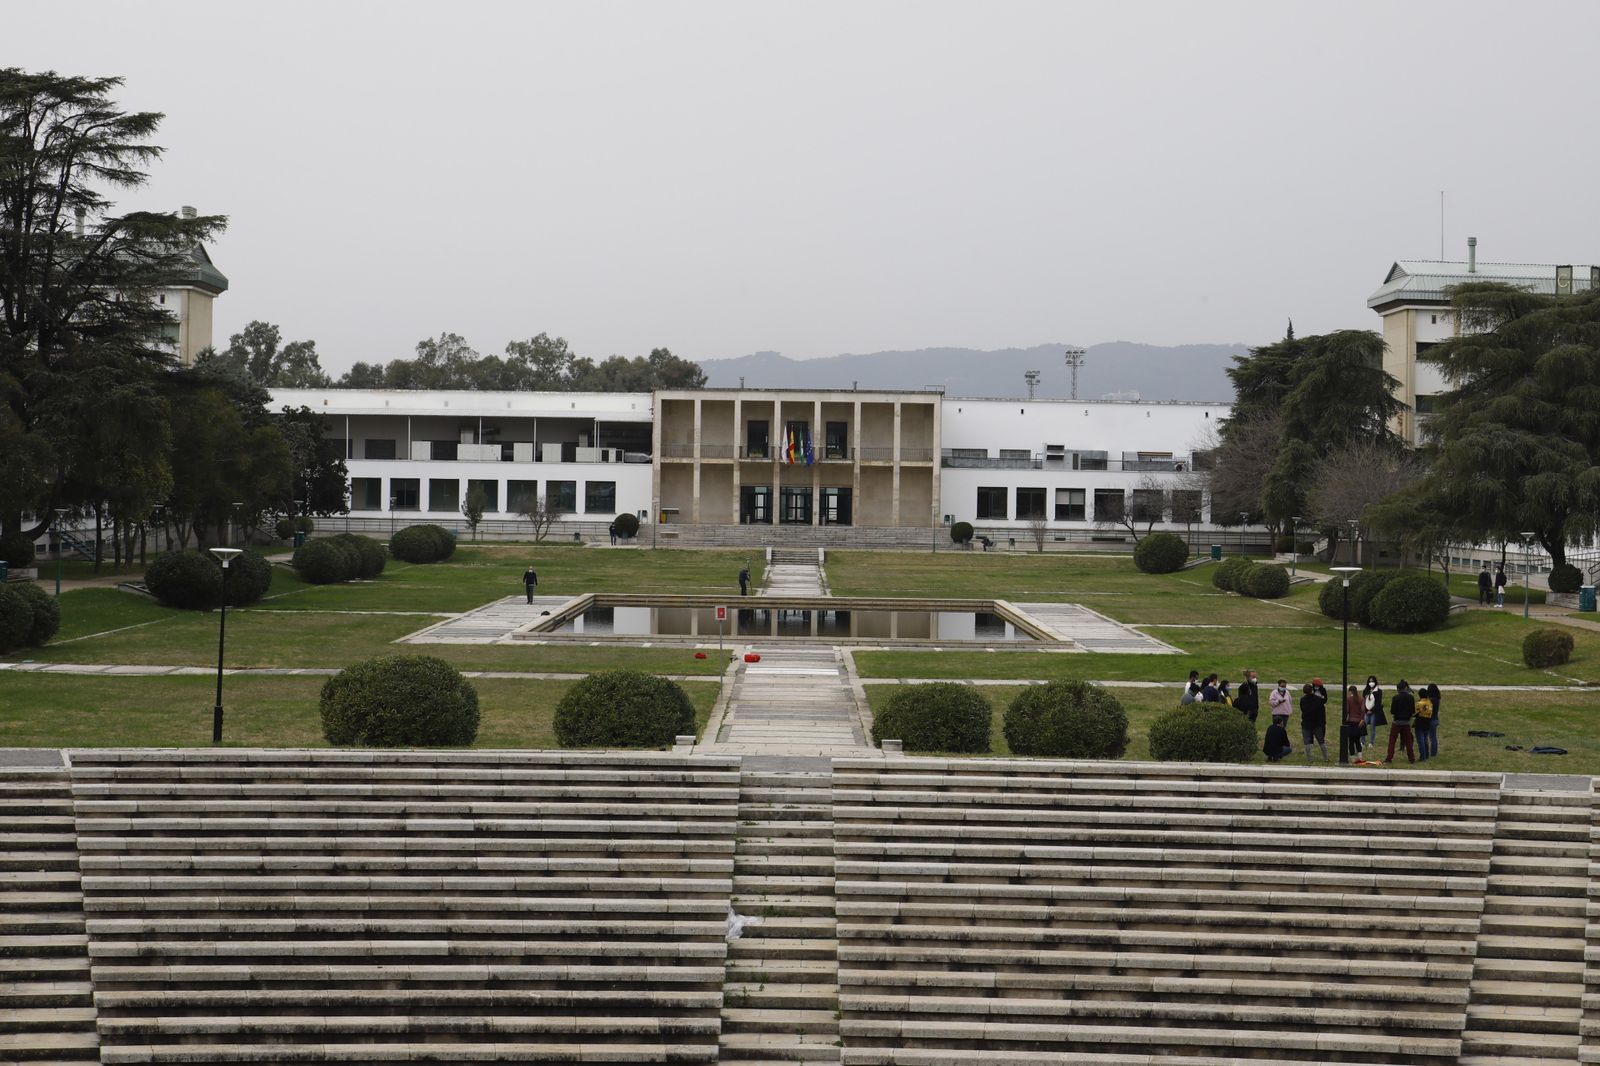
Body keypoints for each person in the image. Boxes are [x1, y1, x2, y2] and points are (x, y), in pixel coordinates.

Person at [1386, 679, 1417, 764]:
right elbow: (1413, 711)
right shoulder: (1411, 697)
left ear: (1398, 689)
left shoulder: (1395, 698)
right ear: (1405, 688)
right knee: (1408, 742)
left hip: (1397, 722)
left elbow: (1392, 711)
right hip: (1406, 722)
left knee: (1392, 741)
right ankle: (1412, 759)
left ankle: (1389, 758)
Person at [1299, 682, 1328, 762]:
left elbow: (1302, 709)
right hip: (1316, 723)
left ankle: (1309, 759)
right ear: (1312, 689)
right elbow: (1321, 711)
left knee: (1307, 741)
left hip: (1306, 723)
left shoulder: (1303, 700)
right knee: (1321, 741)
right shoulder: (1318, 700)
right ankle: (1326, 758)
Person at [1342, 685, 1366, 762]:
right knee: (1357, 741)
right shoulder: (1362, 699)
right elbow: (1363, 709)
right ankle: (1360, 757)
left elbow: (1347, 710)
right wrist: (1362, 719)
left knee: (1351, 741)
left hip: (1351, 721)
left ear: (1350, 691)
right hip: (1359, 722)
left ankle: (1352, 758)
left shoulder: (1349, 699)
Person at [1414, 683, 1438, 761]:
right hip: (1427, 722)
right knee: (1425, 739)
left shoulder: (1419, 704)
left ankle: (1423, 756)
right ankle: (1427, 754)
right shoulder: (1430, 703)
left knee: (1420, 740)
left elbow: (1415, 713)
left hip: (1420, 722)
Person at [1362, 676, 1386, 751]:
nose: (1371, 683)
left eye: (1372, 681)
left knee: (1372, 727)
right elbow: (1364, 701)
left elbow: (1378, 703)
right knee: (1363, 726)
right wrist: (1366, 710)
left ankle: (1371, 742)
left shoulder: (1379, 691)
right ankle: (1362, 742)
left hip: (1374, 712)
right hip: (1366, 711)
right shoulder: (1366, 690)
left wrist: (1371, 710)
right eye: (1369, 681)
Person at [1423, 682, 1442, 756]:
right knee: (1433, 737)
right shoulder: (1437, 699)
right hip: (1435, 719)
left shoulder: (1431, 700)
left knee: (1431, 737)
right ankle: (1434, 753)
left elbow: (1426, 708)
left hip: (1431, 720)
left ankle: (1432, 753)